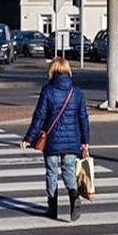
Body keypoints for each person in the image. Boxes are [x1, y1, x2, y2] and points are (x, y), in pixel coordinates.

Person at [20, 56, 90, 221]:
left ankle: (52, 208)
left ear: (52, 71)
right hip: (72, 141)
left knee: (52, 173)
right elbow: (83, 118)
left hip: (51, 140)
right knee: (69, 171)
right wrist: (85, 141)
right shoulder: (77, 92)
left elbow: (39, 116)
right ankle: (74, 196)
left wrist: (28, 138)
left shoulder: (48, 90)